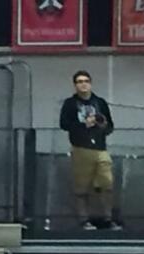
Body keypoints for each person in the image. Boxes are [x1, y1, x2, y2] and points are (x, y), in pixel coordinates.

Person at [59, 70, 118, 231]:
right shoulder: (70, 103)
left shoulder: (100, 102)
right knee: (82, 186)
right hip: (80, 147)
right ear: (75, 85)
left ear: (90, 83)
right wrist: (84, 124)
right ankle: (84, 219)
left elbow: (110, 125)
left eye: (85, 81)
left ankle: (107, 218)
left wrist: (102, 125)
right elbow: (64, 124)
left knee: (106, 183)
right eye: (79, 81)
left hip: (100, 147)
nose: (83, 84)